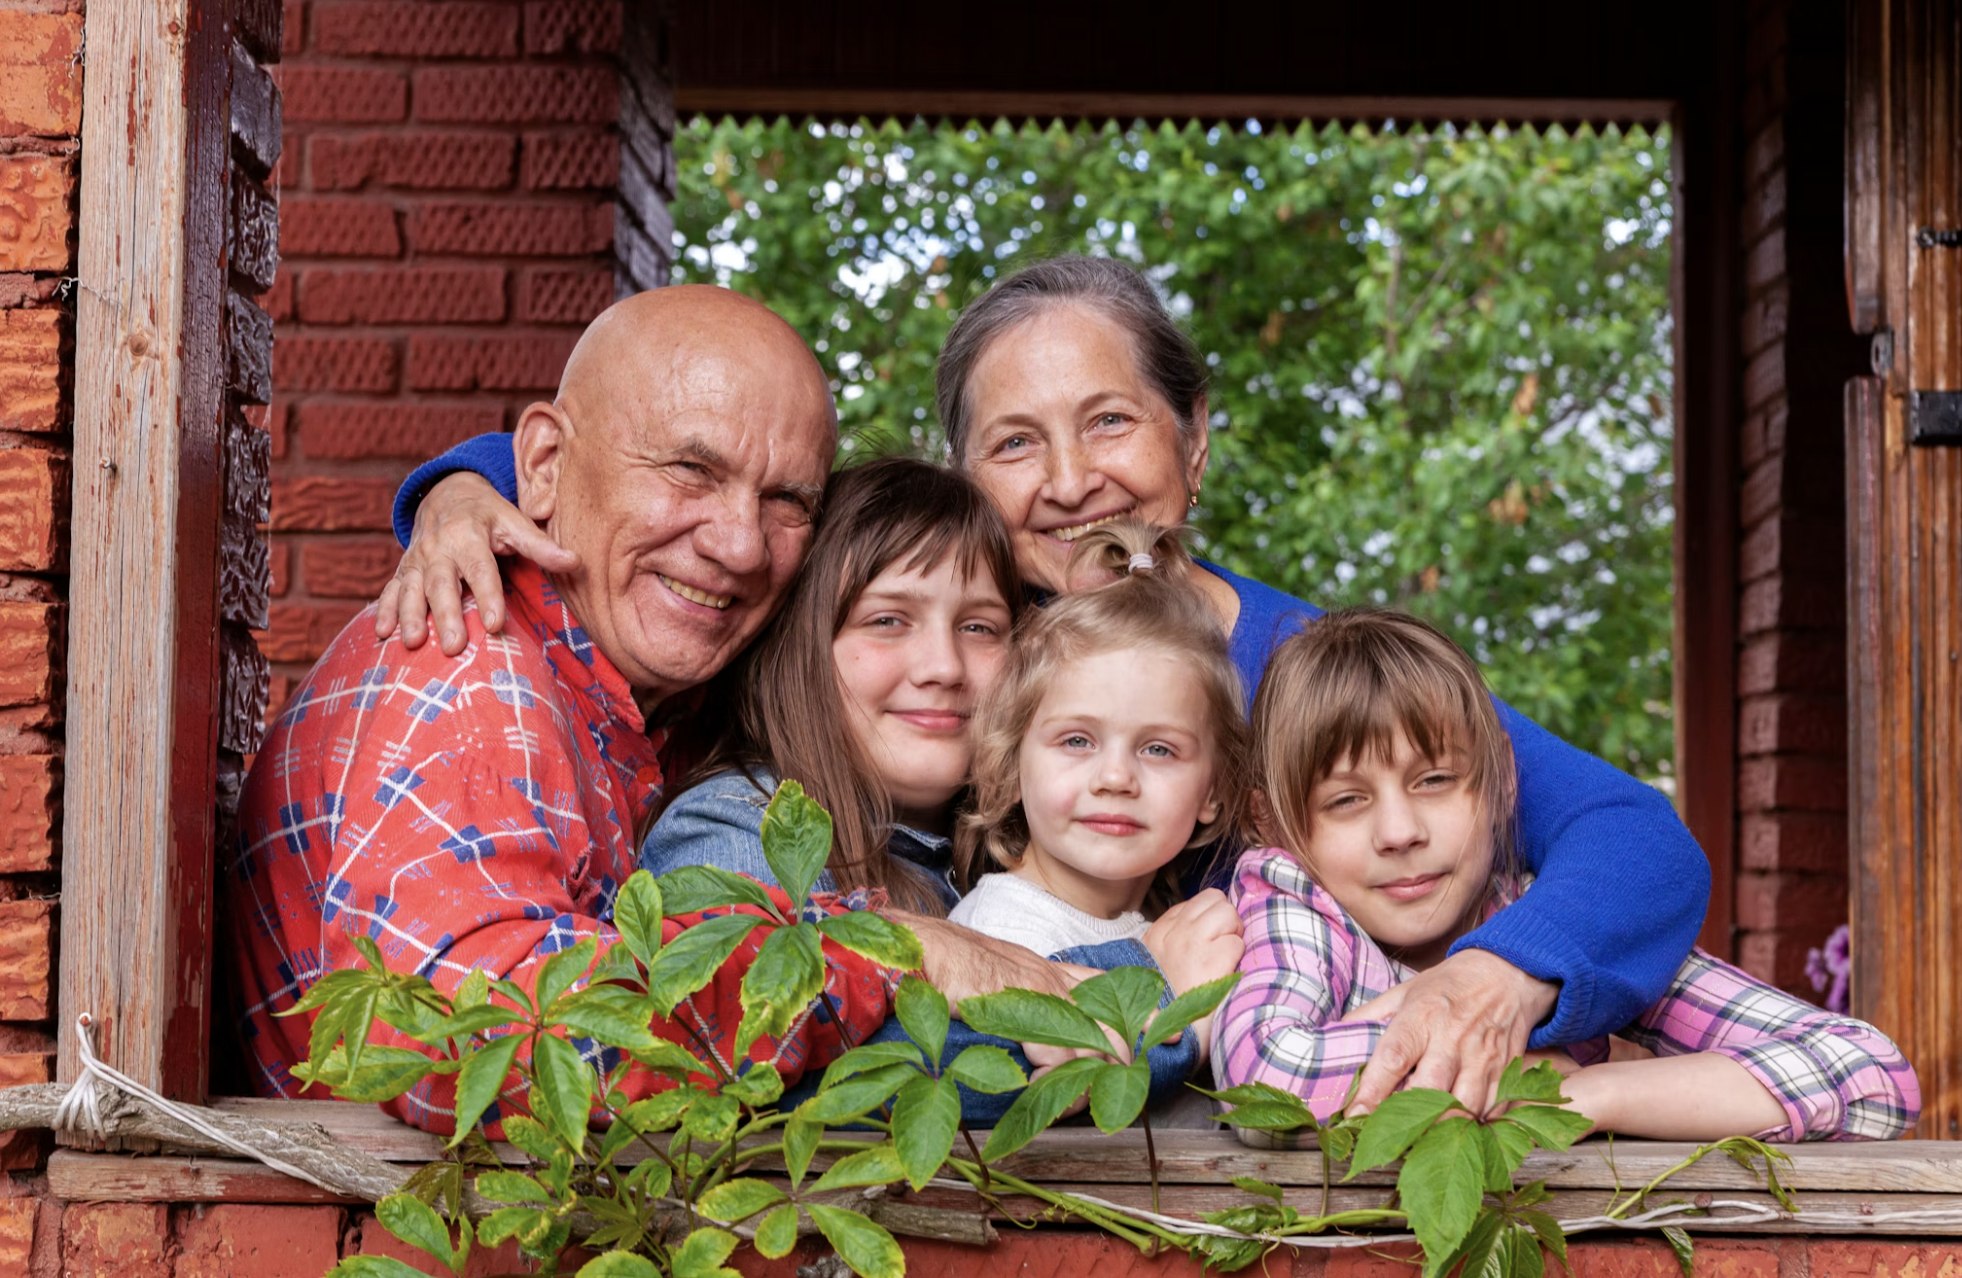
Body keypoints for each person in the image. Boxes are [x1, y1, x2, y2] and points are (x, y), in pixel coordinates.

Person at [373, 255, 1713, 1115]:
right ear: (969, 478)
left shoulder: (1302, 672)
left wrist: (1494, 974)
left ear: (1192, 444)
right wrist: (471, 482)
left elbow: (1630, 836)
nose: (1070, 480)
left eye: (1111, 421)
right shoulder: (970, 628)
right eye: (1016, 441)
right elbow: (701, 509)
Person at [222, 288, 1060, 1134]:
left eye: (786, 502)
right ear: (544, 467)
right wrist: (885, 947)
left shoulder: (673, 675)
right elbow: (480, 1043)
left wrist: (464, 481)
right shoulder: (472, 670)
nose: (738, 544)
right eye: (691, 470)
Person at [1214, 608, 1918, 1141]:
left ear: (1502, 785)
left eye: (1434, 780)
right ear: (1274, 825)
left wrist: (1590, 1094)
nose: (1400, 832)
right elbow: (1265, 1078)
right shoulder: (1297, 903)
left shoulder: (1553, 927)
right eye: (1347, 800)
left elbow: (1873, 1078)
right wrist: (1488, 1048)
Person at [639, 457, 1018, 913]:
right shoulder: (742, 829)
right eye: (887, 620)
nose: (945, 667)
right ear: (800, 650)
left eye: (979, 628)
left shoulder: (1044, 838)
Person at [952, 521, 1248, 1071]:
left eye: (1159, 749)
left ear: (1214, 790)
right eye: (1077, 740)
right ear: (1013, 766)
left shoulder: (1174, 925)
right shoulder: (1002, 932)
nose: (1115, 777)